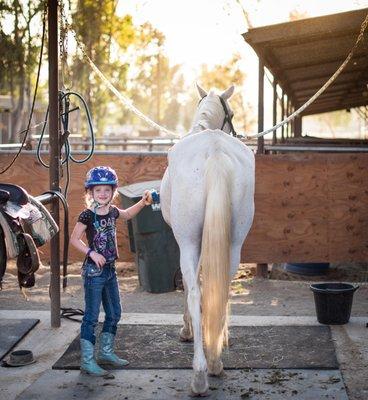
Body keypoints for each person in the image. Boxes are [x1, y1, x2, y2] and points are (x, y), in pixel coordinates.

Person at [70, 166, 152, 377]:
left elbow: (127, 214)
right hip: (94, 272)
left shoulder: (113, 211)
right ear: (91, 193)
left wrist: (142, 203)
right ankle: (87, 361)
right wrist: (91, 253)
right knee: (91, 316)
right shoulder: (87, 215)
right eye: (98, 191)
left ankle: (106, 353)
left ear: (113, 191)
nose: (103, 194)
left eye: (107, 190)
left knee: (115, 313)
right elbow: (74, 239)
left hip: (110, 270)